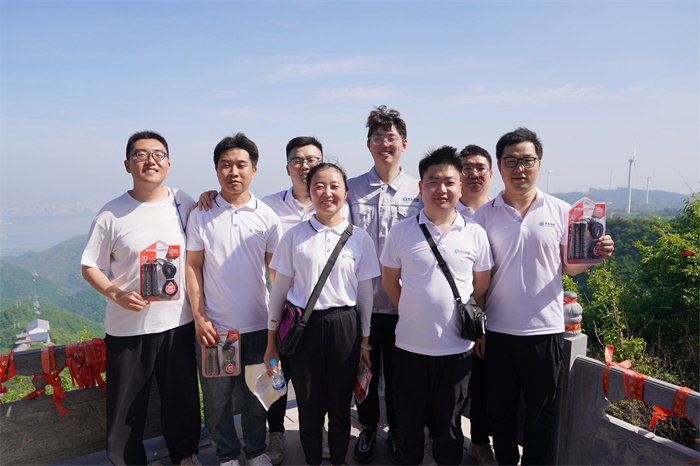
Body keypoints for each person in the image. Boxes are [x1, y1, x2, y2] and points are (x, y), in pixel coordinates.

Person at [472, 127, 614, 465]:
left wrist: (597, 254)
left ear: (539, 163)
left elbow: (570, 266)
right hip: (498, 331)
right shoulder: (483, 216)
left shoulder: (562, 211)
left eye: (527, 160)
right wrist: (479, 329)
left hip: (545, 331)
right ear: (499, 165)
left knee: (540, 413)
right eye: (511, 161)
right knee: (500, 411)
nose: (519, 168)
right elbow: (477, 280)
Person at [81, 131, 201, 465]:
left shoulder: (183, 202)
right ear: (127, 164)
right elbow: (89, 266)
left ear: (168, 164)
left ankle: (185, 456)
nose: (150, 160)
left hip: (178, 323)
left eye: (158, 154)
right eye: (141, 154)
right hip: (128, 328)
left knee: (182, 400)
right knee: (126, 410)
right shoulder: (111, 214)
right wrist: (115, 293)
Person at [380, 146, 492, 465]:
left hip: (457, 351)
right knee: (408, 425)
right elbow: (390, 282)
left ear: (460, 186)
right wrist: (414, 312)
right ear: (421, 186)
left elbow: (480, 286)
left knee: (450, 428)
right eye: (433, 181)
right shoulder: (401, 232)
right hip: (410, 348)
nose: (441, 189)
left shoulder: (475, 234)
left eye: (449, 182)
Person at [264, 162, 380, 466]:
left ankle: (339, 460)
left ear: (345, 192)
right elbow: (279, 291)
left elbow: (365, 295)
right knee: (309, 405)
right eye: (319, 186)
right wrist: (271, 342)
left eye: (334, 186)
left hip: (345, 326)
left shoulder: (360, 238)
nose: (327, 193)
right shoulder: (294, 237)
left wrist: (365, 342)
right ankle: (312, 460)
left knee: (340, 405)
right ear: (309, 191)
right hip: (305, 328)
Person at [185, 133, 281, 466]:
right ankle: (227, 454)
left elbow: (275, 275)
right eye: (225, 165)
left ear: (254, 169)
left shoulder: (267, 216)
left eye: (241, 164)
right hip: (216, 329)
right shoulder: (202, 213)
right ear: (216, 170)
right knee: (217, 401)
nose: (233, 172)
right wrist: (200, 317)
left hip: (257, 325)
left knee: (256, 396)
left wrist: (276, 325)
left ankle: (255, 452)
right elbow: (193, 267)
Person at [260, 136, 345, 464]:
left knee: (317, 382)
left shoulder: (335, 203)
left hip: (322, 312)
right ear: (287, 168)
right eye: (297, 160)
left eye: (312, 159)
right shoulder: (269, 206)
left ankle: (316, 430)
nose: (305, 165)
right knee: (278, 375)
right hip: (282, 307)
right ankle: (276, 432)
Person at [347, 105, 422, 463]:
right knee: (363, 371)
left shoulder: (419, 190)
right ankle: (367, 427)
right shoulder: (351, 188)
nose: (384, 143)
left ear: (404, 144)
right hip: (361, 303)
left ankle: (395, 429)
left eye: (391, 137)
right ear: (368, 144)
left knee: (398, 375)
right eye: (377, 137)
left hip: (402, 303)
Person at [457, 145, 497, 465]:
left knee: (483, 383)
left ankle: (480, 440)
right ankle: (443, 436)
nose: (473, 174)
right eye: (466, 168)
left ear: (491, 173)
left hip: (492, 313)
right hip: (449, 313)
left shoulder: (499, 213)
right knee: (449, 381)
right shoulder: (443, 210)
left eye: (479, 168)